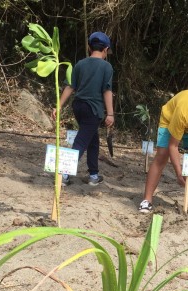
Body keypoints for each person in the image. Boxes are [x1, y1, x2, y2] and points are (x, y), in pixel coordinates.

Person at [54, 31, 114, 186]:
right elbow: (107, 91)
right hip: (93, 109)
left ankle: (93, 174)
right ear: (105, 49)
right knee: (81, 141)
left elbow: (71, 86)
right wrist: (110, 114)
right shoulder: (106, 67)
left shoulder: (80, 64)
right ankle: (64, 174)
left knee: (92, 140)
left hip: (78, 106)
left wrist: (59, 106)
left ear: (89, 47)